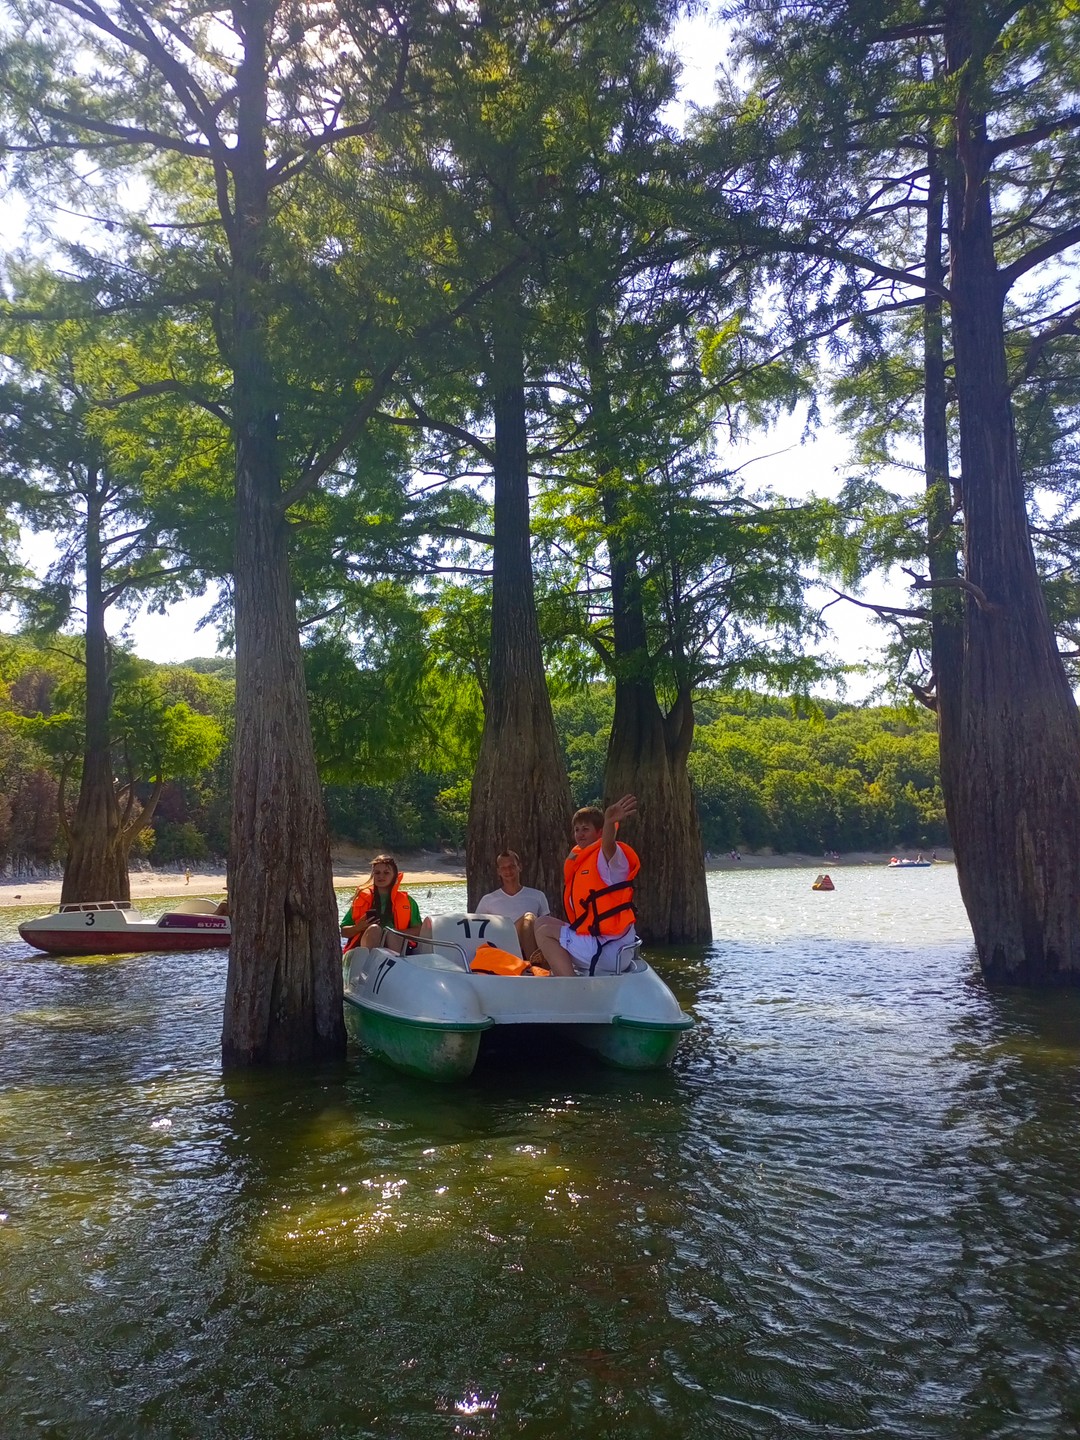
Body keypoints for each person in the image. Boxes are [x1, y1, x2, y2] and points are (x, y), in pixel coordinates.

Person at [532, 795, 639, 977]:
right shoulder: (582, 860)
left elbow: (608, 845)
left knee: (545, 933)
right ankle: (558, 969)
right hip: (596, 939)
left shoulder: (611, 859)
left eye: (586, 829)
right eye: (577, 829)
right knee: (541, 922)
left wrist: (610, 822)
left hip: (609, 948)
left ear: (599, 832)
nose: (580, 834)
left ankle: (570, 986)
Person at [475, 850, 550, 960]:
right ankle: (533, 965)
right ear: (498, 871)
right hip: (502, 947)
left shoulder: (537, 896)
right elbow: (477, 931)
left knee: (531, 922)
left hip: (533, 943)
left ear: (519, 867)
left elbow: (546, 927)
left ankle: (537, 963)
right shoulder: (488, 900)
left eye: (512, 866)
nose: (508, 871)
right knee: (528, 918)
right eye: (503, 868)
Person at [341, 855, 422, 955]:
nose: (381, 876)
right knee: (374, 929)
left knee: (391, 933)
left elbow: (418, 930)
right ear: (373, 875)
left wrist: (395, 932)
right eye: (377, 873)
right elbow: (344, 932)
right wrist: (358, 927)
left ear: (395, 876)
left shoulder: (408, 901)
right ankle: (369, 965)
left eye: (386, 873)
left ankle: (394, 965)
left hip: (395, 946)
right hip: (364, 948)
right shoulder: (362, 899)